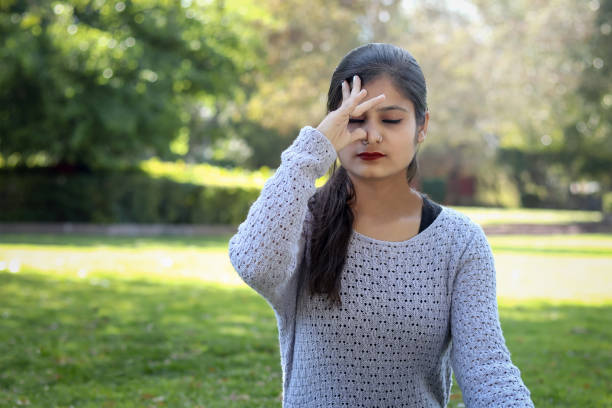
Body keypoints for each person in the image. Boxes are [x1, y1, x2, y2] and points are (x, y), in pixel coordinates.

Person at [228, 43, 534, 407]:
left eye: (391, 120)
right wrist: (315, 147)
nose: (371, 135)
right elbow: (254, 263)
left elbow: (487, 370)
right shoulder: (302, 221)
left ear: (422, 127)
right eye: (355, 119)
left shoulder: (460, 241)